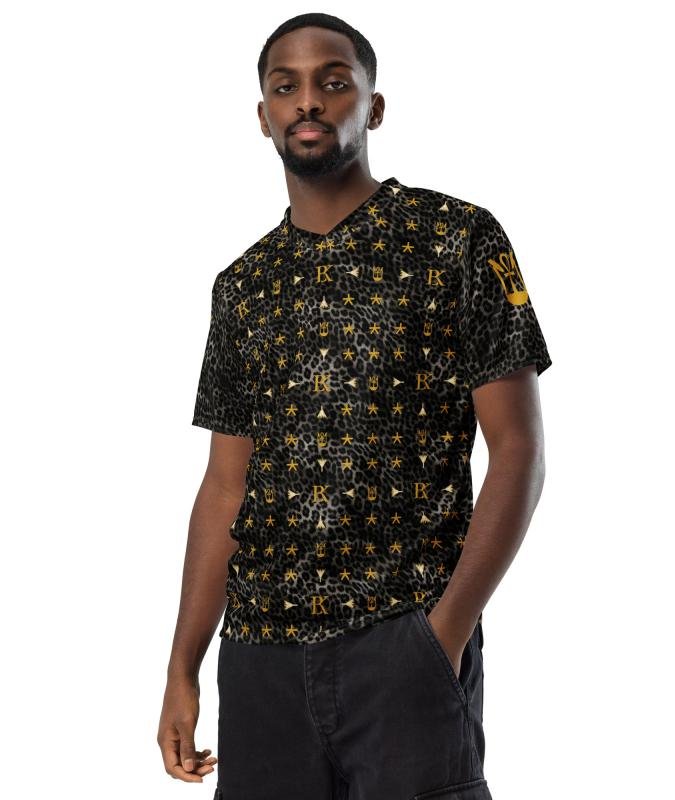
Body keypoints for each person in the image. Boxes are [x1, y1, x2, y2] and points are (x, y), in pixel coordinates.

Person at [157, 12, 552, 800]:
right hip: (259, 661)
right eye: (286, 87)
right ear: (263, 115)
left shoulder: (456, 239)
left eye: (333, 82)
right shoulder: (242, 287)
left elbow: (517, 451)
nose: (308, 100)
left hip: (402, 640)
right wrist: (182, 666)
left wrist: (444, 634)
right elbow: (225, 488)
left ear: (373, 106)